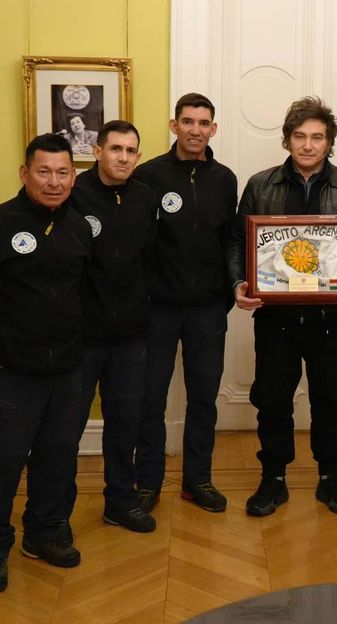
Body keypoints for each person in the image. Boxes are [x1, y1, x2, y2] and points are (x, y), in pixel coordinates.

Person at [0, 133, 92, 593]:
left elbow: (84, 290)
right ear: (25, 174)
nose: (53, 181)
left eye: (63, 172)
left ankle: (44, 532)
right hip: (9, 371)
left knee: (58, 457)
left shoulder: (80, 228)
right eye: (43, 171)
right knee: (0, 463)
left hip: (67, 370)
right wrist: (2, 329)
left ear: (73, 176)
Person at [227, 96, 337, 517]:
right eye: (300, 137)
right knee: (272, 398)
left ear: (330, 142)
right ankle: (272, 479)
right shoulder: (260, 185)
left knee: (331, 398)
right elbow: (240, 241)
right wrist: (239, 280)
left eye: (317, 137)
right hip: (275, 317)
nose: (308, 145)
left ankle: (331, 477)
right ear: (287, 140)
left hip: (330, 318)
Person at [133, 93, 238, 514]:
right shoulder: (147, 175)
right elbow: (137, 243)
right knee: (150, 398)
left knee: (203, 398)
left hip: (208, 308)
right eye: (188, 121)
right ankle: (148, 481)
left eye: (204, 122)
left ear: (213, 128)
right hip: (157, 308)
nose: (196, 130)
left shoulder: (226, 178)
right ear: (173, 125)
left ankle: (198, 480)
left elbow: (230, 240)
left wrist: (231, 289)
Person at [66, 120, 158, 533]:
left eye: (131, 151)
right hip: (81, 337)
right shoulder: (72, 194)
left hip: (131, 336)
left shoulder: (144, 197)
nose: (123, 157)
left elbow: (149, 260)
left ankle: (120, 500)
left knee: (125, 424)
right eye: (116, 148)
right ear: (97, 150)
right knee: (65, 429)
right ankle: (54, 514)